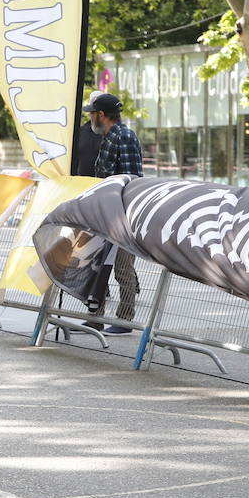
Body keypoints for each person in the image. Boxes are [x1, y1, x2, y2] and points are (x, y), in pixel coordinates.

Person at [83, 92, 142, 335]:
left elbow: (131, 179)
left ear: (102, 115)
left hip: (121, 214)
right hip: (106, 213)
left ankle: (125, 319)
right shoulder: (109, 136)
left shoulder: (124, 137)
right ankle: (95, 317)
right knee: (99, 265)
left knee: (122, 267)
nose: (90, 119)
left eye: (92, 114)